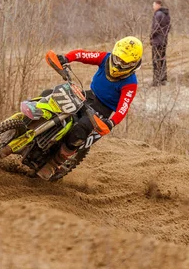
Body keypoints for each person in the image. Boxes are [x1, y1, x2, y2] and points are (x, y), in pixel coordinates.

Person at [37, 36, 143, 180]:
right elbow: (83, 54)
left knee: (81, 128)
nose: (117, 64)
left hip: (102, 110)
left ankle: (54, 163)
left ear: (133, 64)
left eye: (123, 63)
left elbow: (123, 107)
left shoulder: (130, 83)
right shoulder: (106, 58)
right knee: (50, 94)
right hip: (87, 95)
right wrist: (66, 58)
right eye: (117, 58)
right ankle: (28, 124)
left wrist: (111, 122)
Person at [150, 0, 171, 86]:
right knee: (162, 60)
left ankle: (156, 81)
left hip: (157, 41)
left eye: (154, 5)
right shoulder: (166, 14)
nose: (153, 7)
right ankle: (163, 79)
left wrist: (151, 36)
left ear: (158, 5)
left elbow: (156, 27)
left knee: (156, 60)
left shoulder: (158, 14)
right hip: (164, 41)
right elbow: (169, 27)